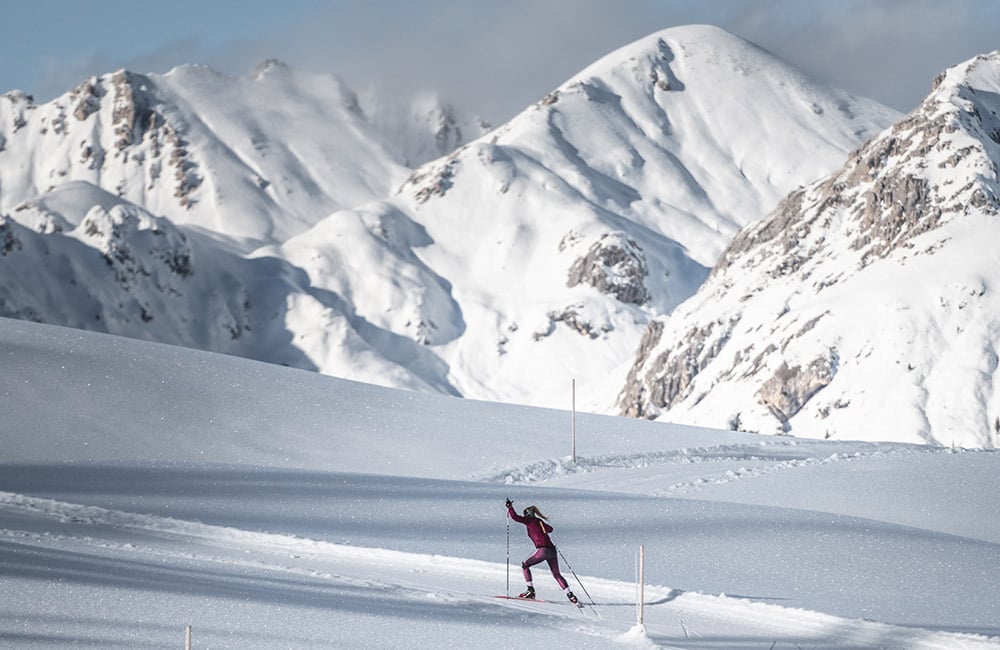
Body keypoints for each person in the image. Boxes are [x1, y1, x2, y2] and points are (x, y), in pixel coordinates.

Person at [506, 499, 578, 604]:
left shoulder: (529, 520)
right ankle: (570, 595)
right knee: (556, 574)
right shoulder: (539, 521)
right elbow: (550, 529)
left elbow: (515, 517)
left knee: (525, 565)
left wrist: (510, 508)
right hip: (552, 550)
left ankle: (530, 591)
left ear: (527, 514)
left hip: (542, 550)